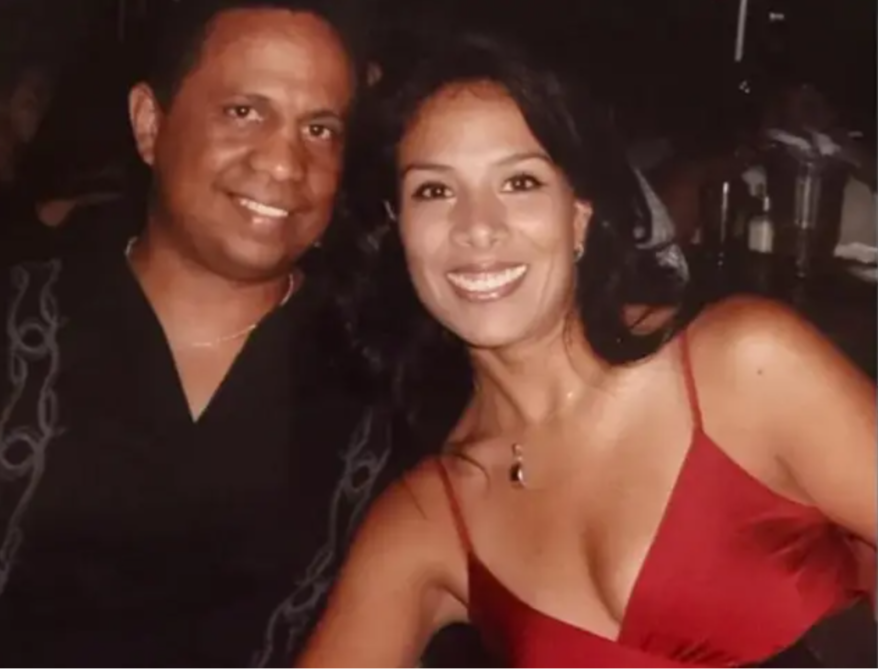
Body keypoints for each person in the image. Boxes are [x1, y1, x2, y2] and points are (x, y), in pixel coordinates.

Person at [298, 33, 876, 667]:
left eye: (519, 182)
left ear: (578, 215)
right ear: (399, 231)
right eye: (434, 191)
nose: (477, 227)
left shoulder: (742, 363)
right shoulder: (430, 516)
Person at [0, 1, 451, 666]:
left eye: (319, 128)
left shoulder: (384, 374)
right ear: (149, 124)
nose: (284, 163)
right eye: (244, 112)